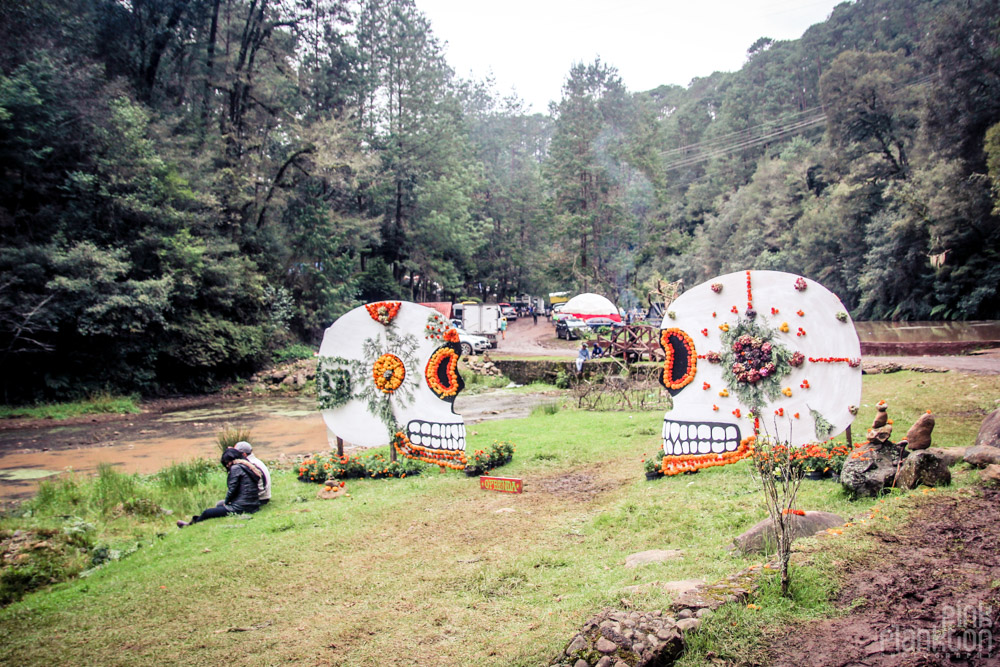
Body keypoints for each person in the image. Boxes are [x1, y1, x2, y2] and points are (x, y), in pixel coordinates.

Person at [177, 448, 260, 527]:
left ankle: (192, 524)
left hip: (241, 507)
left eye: (226, 463)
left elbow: (232, 490)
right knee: (219, 505)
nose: (227, 466)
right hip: (253, 505)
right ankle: (195, 521)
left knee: (207, 512)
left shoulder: (235, 468)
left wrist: (226, 502)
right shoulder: (246, 466)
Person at [235, 440, 271, 505]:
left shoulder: (250, 465)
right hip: (264, 496)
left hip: (260, 498)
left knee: (220, 504)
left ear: (244, 454)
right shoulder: (256, 461)